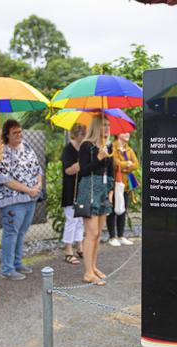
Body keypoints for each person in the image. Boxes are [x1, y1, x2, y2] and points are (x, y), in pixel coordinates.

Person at [0, 119, 43, 281]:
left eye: (20, 131)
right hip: (12, 200)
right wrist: (29, 189)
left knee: (21, 232)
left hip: (31, 197)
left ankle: (17, 262)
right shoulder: (2, 152)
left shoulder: (27, 147)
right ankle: (7, 269)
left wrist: (38, 185)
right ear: (6, 135)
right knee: (11, 232)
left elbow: (38, 168)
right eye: (14, 133)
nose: (19, 135)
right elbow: (5, 179)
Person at [77, 115, 113, 285]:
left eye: (108, 125)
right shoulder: (87, 146)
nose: (107, 128)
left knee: (98, 234)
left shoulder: (108, 147)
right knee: (91, 233)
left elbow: (110, 172)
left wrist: (110, 192)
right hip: (89, 191)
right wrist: (99, 157)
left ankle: (93, 267)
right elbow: (83, 171)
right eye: (104, 125)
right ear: (96, 127)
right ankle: (88, 273)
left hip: (102, 192)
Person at [60, 123, 87, 265]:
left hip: (82, 189)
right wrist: (79, 165)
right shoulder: (68, 149)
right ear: (75, 135)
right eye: (82, 134)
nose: (84, 137)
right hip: (71, 190)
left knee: (81, 220)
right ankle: (68, 251)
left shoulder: (84, 149)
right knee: (71, 220)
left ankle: (80, 247)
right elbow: (68, 170)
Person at [106, 132, 139, 247]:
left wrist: (124, 167)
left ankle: (121, 235)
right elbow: (115, 164)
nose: (128, 134)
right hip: (114, 184)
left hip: (125, 186)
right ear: (118, 134)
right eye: (124, 132)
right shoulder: (113, 147)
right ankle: (112, 237)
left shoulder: (128, 149)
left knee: (123, 210)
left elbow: (136, 165)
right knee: (112, 210)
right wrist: (127, 164)